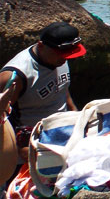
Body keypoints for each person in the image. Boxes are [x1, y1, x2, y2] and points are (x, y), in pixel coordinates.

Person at [0, 22, 84, 163]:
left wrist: (78, 120)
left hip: (63, 136)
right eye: (61, 55)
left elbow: (63, 91)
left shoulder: (60, 59)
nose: (64, 59)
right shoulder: (15, 76)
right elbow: (2, 117)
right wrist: (20, 147)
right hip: (29, 147)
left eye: (68, 55)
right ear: (41, 46)